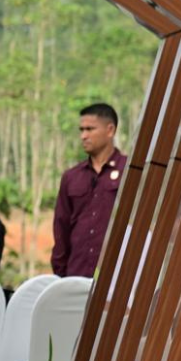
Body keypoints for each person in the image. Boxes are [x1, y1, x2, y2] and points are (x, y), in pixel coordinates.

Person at [51, 103, 125, 278]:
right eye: (81, 130)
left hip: (117, 276)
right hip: (77, 272)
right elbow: (61, 227)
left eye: (90, 129)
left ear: (110, 130)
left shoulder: (130, 172)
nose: (83, 136)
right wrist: (61, 273)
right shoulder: (71, 177)